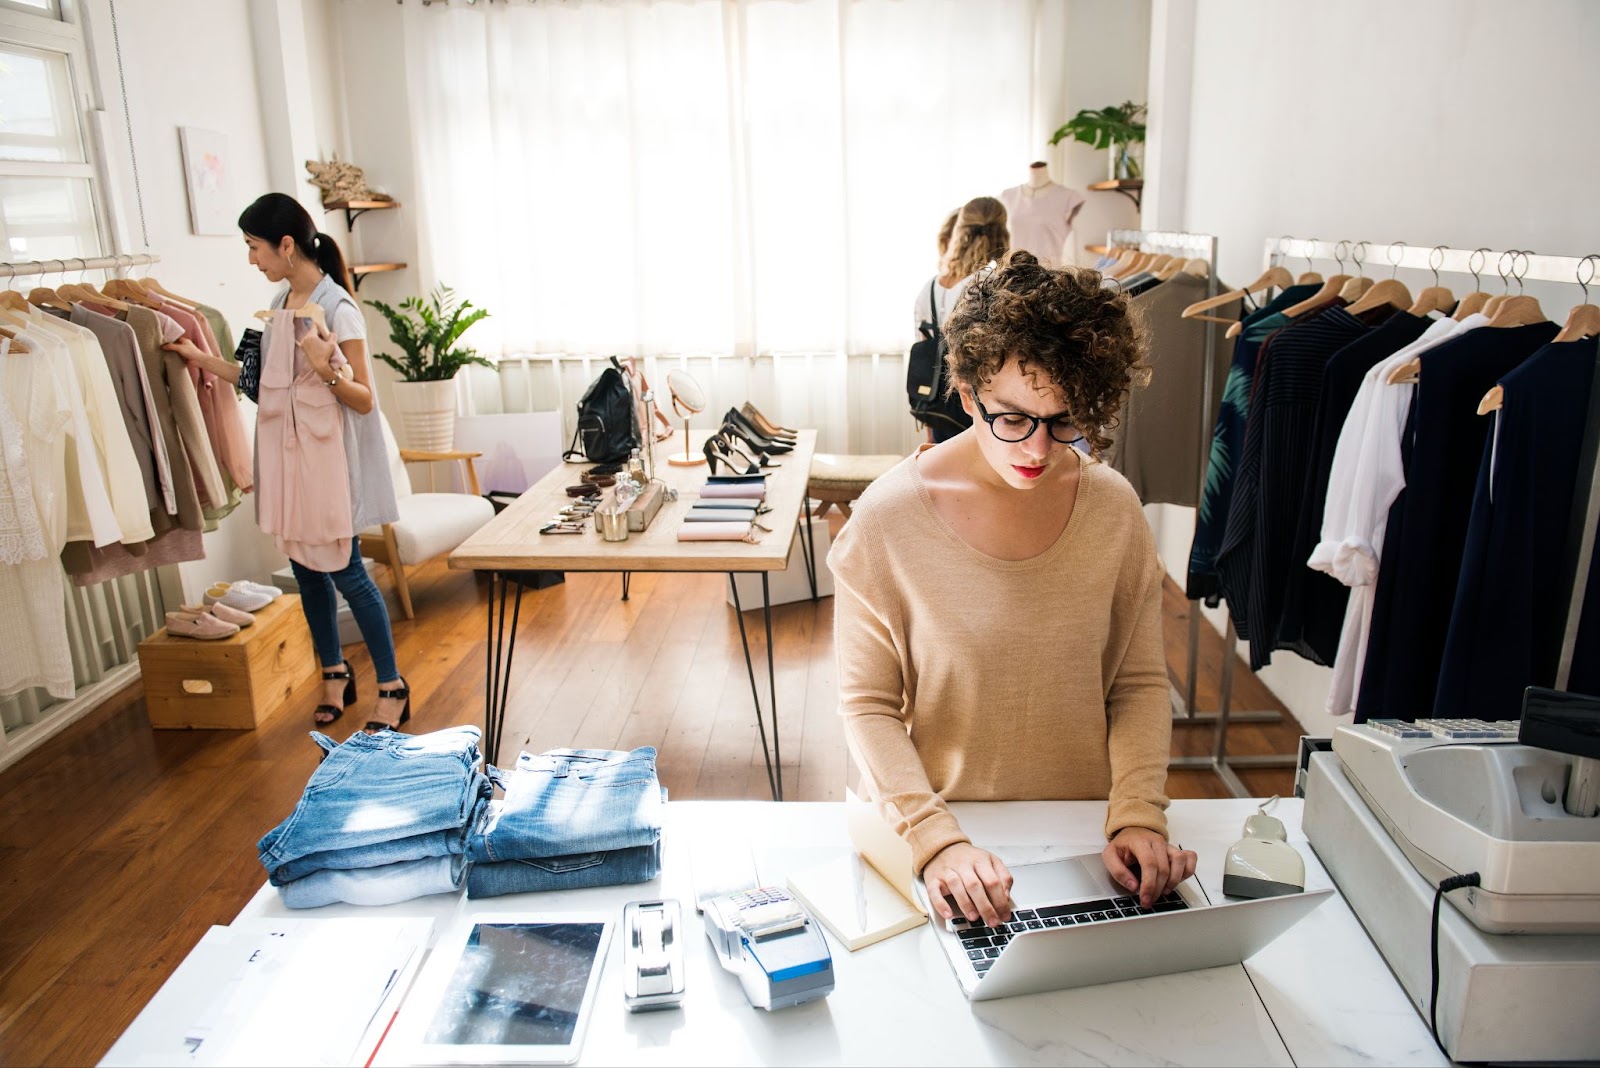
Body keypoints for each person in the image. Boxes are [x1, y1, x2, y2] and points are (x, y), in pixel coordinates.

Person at [835, 249, 1194, 929]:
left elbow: (1139, 684)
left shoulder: (1113, 510)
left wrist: (1139, 815)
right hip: (943, 837)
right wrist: (934, 841)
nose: (1037, 449)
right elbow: (867, 706)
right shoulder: (886, 521)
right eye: (1014, 419)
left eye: (1064, 421)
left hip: (1090, 841)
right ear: (967, 394)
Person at [164, 193, 411, 733]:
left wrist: (326, 371)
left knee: (346, 572)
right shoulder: (278, 306)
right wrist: (199, 359)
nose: (252, 260)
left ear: (286, 244)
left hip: (328, 468)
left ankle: (392, 684)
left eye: (255, 248)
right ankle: (334, 673)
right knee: (305, 569)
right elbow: (255, 381)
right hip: (290, 463)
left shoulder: (338, 308)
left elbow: (365, 399)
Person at [912, 196, 1010, 442]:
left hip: (938, 402)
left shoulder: (931, 287)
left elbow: (924, 348)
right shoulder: (989, 283)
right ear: (1002, 232)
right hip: (977, 404)